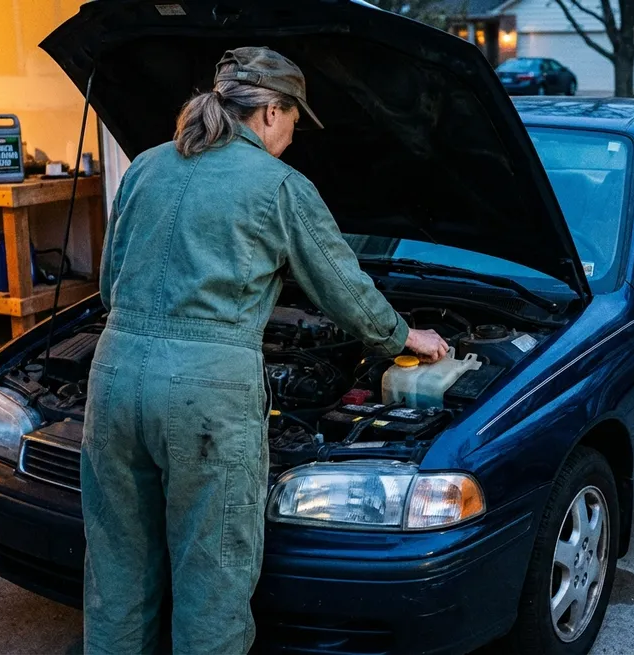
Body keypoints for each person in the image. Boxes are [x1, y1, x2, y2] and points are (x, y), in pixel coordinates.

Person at [81, 46, 449, 654]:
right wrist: (405, 336)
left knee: (116, 568)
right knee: (213, 574)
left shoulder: (145, 166)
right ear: (271, 112)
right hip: (206, 393)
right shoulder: (279, 186)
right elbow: (343, 286)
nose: (292, 138)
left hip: (113, 376)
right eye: (294, 123)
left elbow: (107, 284)